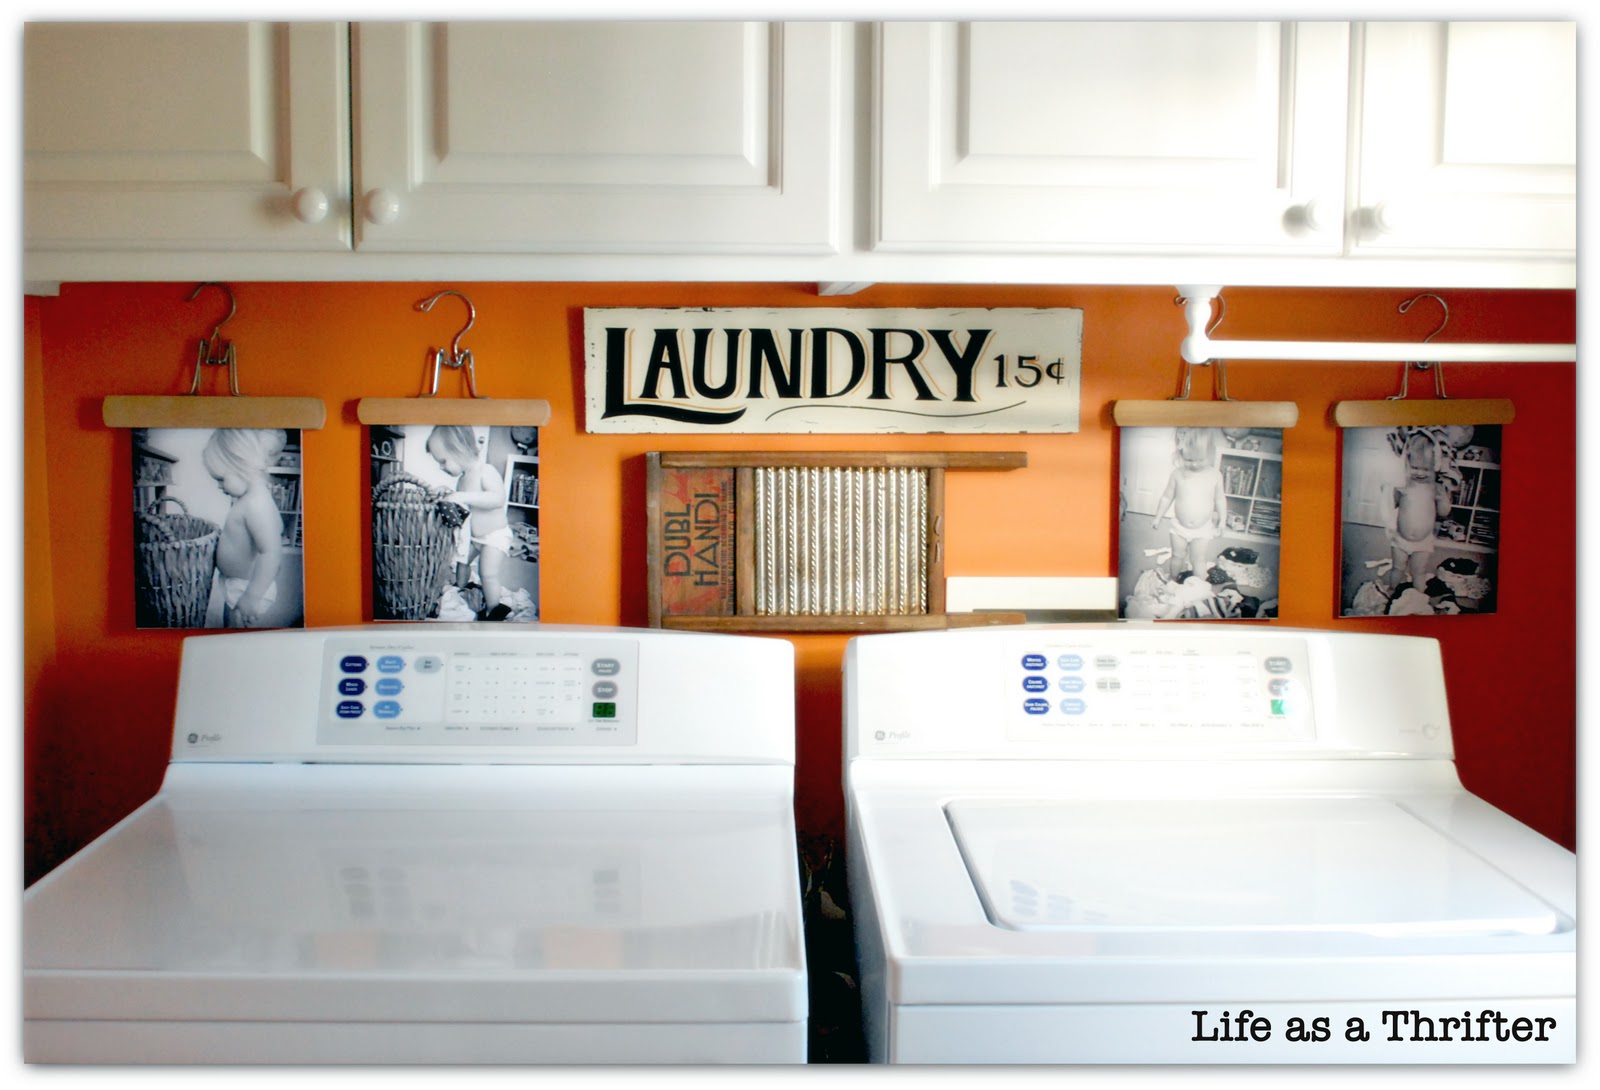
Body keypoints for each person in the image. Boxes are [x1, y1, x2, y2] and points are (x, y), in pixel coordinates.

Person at [425, 425, 513, 620]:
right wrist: (448, 495)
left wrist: (462, 495)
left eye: (443, 461)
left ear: (459, 449)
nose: (442, 467)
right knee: (462, 562)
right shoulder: (463, 479)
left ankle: (493, 609)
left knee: (487, 572)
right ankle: (459, 591)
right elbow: (464, 504)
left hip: (494, 536)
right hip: (474, 535)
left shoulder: (486, 471)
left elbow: (497, 498)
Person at [202, 428, 287, 628]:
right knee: (228, 625)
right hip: (237, 582)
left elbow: (272, 552)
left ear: (243, 467)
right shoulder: (248, 500)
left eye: (221, 479)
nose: (219, 486)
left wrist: (252, 596)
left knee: (236, 633)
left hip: (247, 587)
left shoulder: (256, 504)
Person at [1151, 427, 1227, 580]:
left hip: (1203, 529)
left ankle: (1199, 586)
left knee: (1198, 560)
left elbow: (1220, 499)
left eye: (1200, 460)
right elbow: (1167, 497)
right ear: (1181, 455)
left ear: (1210, 454)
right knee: (1177, 556)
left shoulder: (1215, 475)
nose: (1194, 464)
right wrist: (1158, 517)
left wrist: (1223, 520)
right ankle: (1172, 579)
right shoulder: (1177, 474)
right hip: (1179, 527)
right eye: (1189, 460)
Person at [1387, 430, 1453, 588]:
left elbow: (1444, 513)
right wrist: (1395, 492)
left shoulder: (1435, 488)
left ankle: (1417, 599)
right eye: (1414, 467)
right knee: (1397, 569)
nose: (1420, 473)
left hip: (1423, 542)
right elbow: (1392, 505)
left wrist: (1443, 498)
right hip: (1400, 539)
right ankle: (1391, 591)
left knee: (1419, 572)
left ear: (1435, 467)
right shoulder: (1404, 484)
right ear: (1406, 464)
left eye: (1426, 469)